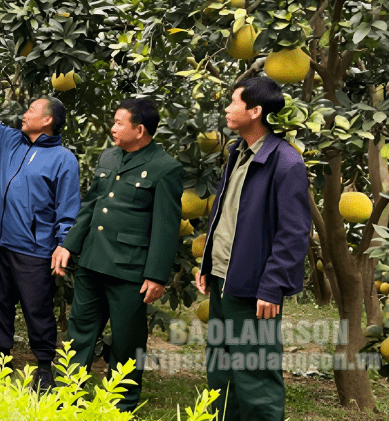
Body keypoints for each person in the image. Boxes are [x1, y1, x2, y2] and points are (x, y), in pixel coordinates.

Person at [52, 97, 183, 412]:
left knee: (126, 342)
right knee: (79, 333)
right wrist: (68, 244)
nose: (113, 129)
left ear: (139, 130)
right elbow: (92, 205)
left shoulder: (165, 168)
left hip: (130, 270)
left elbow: (166, 226)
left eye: (119, 123)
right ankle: (67, 398)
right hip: (93, 261)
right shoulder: (109, 158)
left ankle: (122, 406)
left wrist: (156, 275)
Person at [195, 76, 311, 420]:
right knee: (221, 368)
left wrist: (273, 285)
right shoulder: (238, 153)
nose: (228, 109)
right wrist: (206, 264)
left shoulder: (286, 161)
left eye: (234, 103)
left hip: (253, 288)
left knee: (255, 374)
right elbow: (226, 213)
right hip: (222, 279)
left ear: (255, 111)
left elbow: (293, 232)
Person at [0, 97, 80, 392]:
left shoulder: (63, 159)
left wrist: (63, 243)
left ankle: (44, 370)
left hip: (34, 248)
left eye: (31, 110)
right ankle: (1, 361)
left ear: (46, 120)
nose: (24, 114)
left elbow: (67, 207)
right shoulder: (9, 140)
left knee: (37, 308)